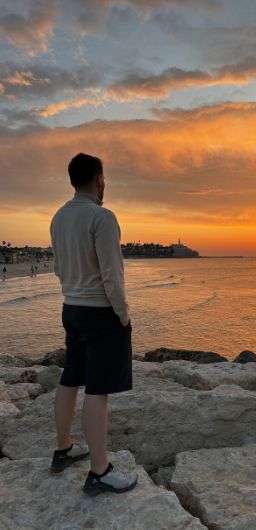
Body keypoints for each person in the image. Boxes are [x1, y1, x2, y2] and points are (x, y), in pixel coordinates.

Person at [49, 153, 137, 496]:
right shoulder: (102, 217)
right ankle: (99, 471)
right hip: (101, 312)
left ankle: (63, 448)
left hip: (71, 307)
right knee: (98, 391)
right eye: (104, 179)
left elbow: (58, 267)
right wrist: (123, 314)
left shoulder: (58, 217)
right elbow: (112, 275)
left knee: (70, 377)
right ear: (99, 179)